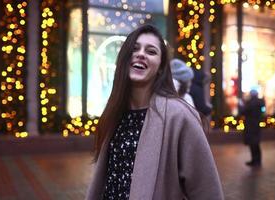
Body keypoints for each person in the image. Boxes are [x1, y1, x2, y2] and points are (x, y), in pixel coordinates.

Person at [86, 25, 223, 200]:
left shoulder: (179, 116)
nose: (141, 54)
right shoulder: (115, 112)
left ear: (160, 67)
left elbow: (207, 191)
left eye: (151, 51)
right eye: (134, 49)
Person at [239, 89, 265, 167]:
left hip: (250, 125)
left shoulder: (251, 103)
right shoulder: (259, 102)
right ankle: (257, 160)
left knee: (253, 143)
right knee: (255, 143)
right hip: (256, 125)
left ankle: (255, 161)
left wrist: (241, 105)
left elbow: (243, 111)